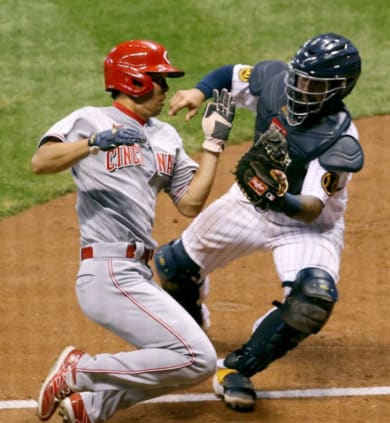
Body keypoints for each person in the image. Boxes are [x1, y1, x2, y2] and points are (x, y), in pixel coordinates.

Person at [154, 32, 363, 411]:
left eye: (313, 85)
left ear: (339, 89)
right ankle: (192, 324)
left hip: (306, 227)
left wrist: (277, 197)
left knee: (312, 300)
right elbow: (230, 75)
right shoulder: (272, 80)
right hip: (249, 204)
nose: (300, 88)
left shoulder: (339, 139)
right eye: (298, 77)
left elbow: (313, 207)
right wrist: (199, 93)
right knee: (172, 265)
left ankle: (237, 369)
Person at [31, 39, 236, 423]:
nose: (167, 88)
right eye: (161, 78)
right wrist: (91, 144)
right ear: (137, 81)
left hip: (138, 273)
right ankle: (78, 371)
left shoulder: (166, 137)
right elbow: (41, 161)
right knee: (198, 357)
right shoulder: (88, 119)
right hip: (106, 271)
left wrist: (213, 144)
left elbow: (190, 203)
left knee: (176, 359)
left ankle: (90, 408)